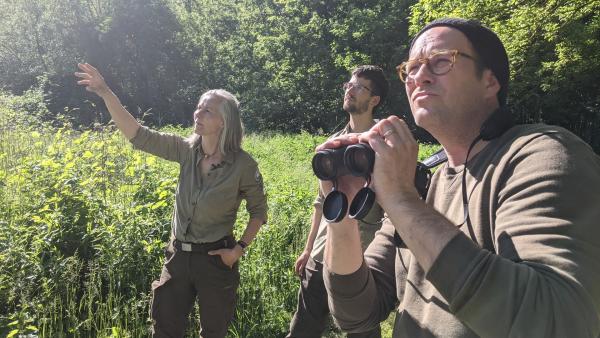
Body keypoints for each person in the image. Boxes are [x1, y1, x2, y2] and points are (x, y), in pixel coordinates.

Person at [319, 18, 600, 337]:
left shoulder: (542, 154)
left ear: (490, 81)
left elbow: (559, 322)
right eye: (411, 67)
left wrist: (399, 198)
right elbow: (354, 314)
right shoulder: (423, 184)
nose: (419, 76)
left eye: (440, 61)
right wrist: (340, 212)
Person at [75, 63, 268, 338]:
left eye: (207, 110)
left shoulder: (243, 165)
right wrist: (105, 92)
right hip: (177, 257)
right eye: (198, 107)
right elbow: (138, 135)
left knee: (214, 332)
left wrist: (238, 250)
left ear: (223, 122)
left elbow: (258, 211)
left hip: (215, 260)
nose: (197, 113)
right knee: (165, 329)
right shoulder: (185, 150)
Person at [287, 65, 389, 338]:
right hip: (322, 254)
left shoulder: (385, 147)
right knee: (303, 330)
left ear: (374, 100)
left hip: (362, 258)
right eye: (348, 85)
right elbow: (321, 202)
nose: (349, 90)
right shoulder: (331, 145)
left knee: (363, 331)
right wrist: (308, 250)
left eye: (358, 87)